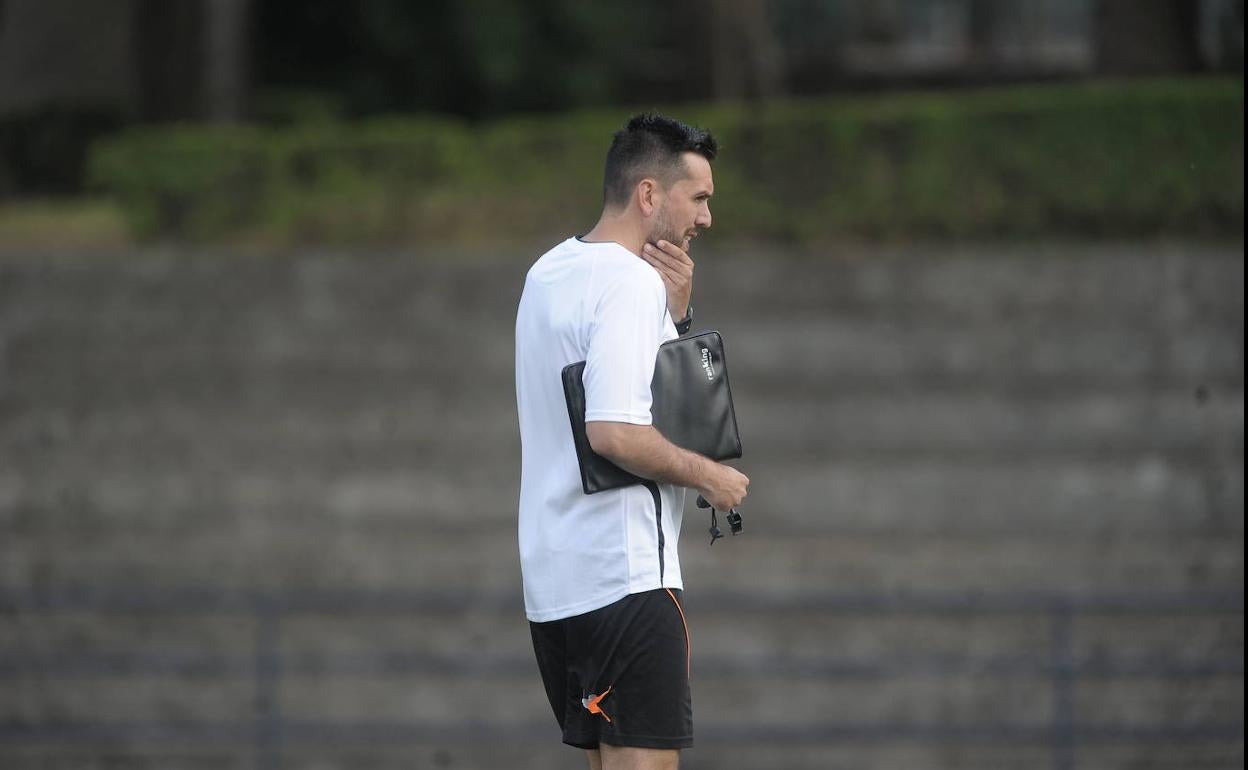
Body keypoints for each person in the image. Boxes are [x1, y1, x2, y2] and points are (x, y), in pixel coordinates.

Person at [514, 113, 750, 770]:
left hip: (557, 583)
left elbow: (611, 392)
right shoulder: (629, 282)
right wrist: (709, 477)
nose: (706, 217)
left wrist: (675, 321)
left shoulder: (548, 273)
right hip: (626, 579)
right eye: (698, 197)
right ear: (650, 194)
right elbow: (614, 430)